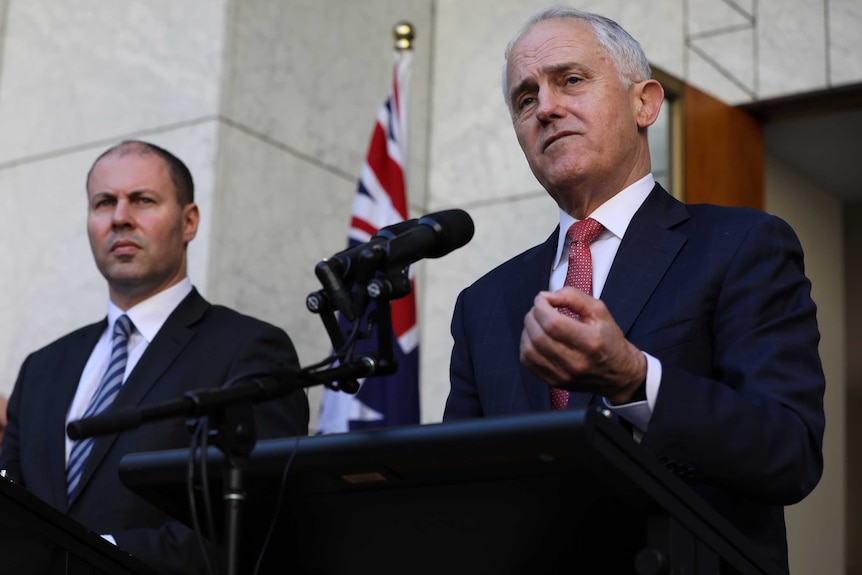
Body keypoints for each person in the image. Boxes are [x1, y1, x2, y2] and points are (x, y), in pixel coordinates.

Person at [444, 7, 825, 573]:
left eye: (570, 80)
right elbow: (460, 493)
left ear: (645, 102)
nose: (545, 108)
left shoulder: (742, 245)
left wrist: (635, 379)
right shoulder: (484, 303)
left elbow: (788, 453)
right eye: (526, 99)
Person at [0, 141, 309, 574]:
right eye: (103, 202)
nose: (120, 217)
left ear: (189, 221)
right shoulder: (43, 367)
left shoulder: (247, 349)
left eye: (142, 200)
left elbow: (255, 523)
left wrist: (86, 556)